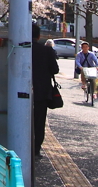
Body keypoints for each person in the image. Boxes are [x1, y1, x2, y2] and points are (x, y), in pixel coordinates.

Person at [32, 23, 59, 157]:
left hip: (19, 92)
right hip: (42, 93)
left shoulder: (19, 49)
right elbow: (55, 70)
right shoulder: (46, 51)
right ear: (39, 36)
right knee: (39, 121)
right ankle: (36, 149)